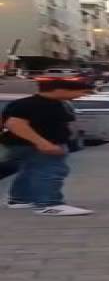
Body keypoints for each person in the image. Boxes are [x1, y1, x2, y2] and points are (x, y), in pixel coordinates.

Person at [1, 80, 94, 216]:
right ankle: (50, 204)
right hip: (37, 145)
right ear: (59, 90)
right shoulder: (29, 104)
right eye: (81, 92)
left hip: (31, 144)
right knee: (50, 171)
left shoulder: (56, 103)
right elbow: (14, 123)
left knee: (30, 171)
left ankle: (19, 199)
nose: (81, 96)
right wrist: (42, 143)